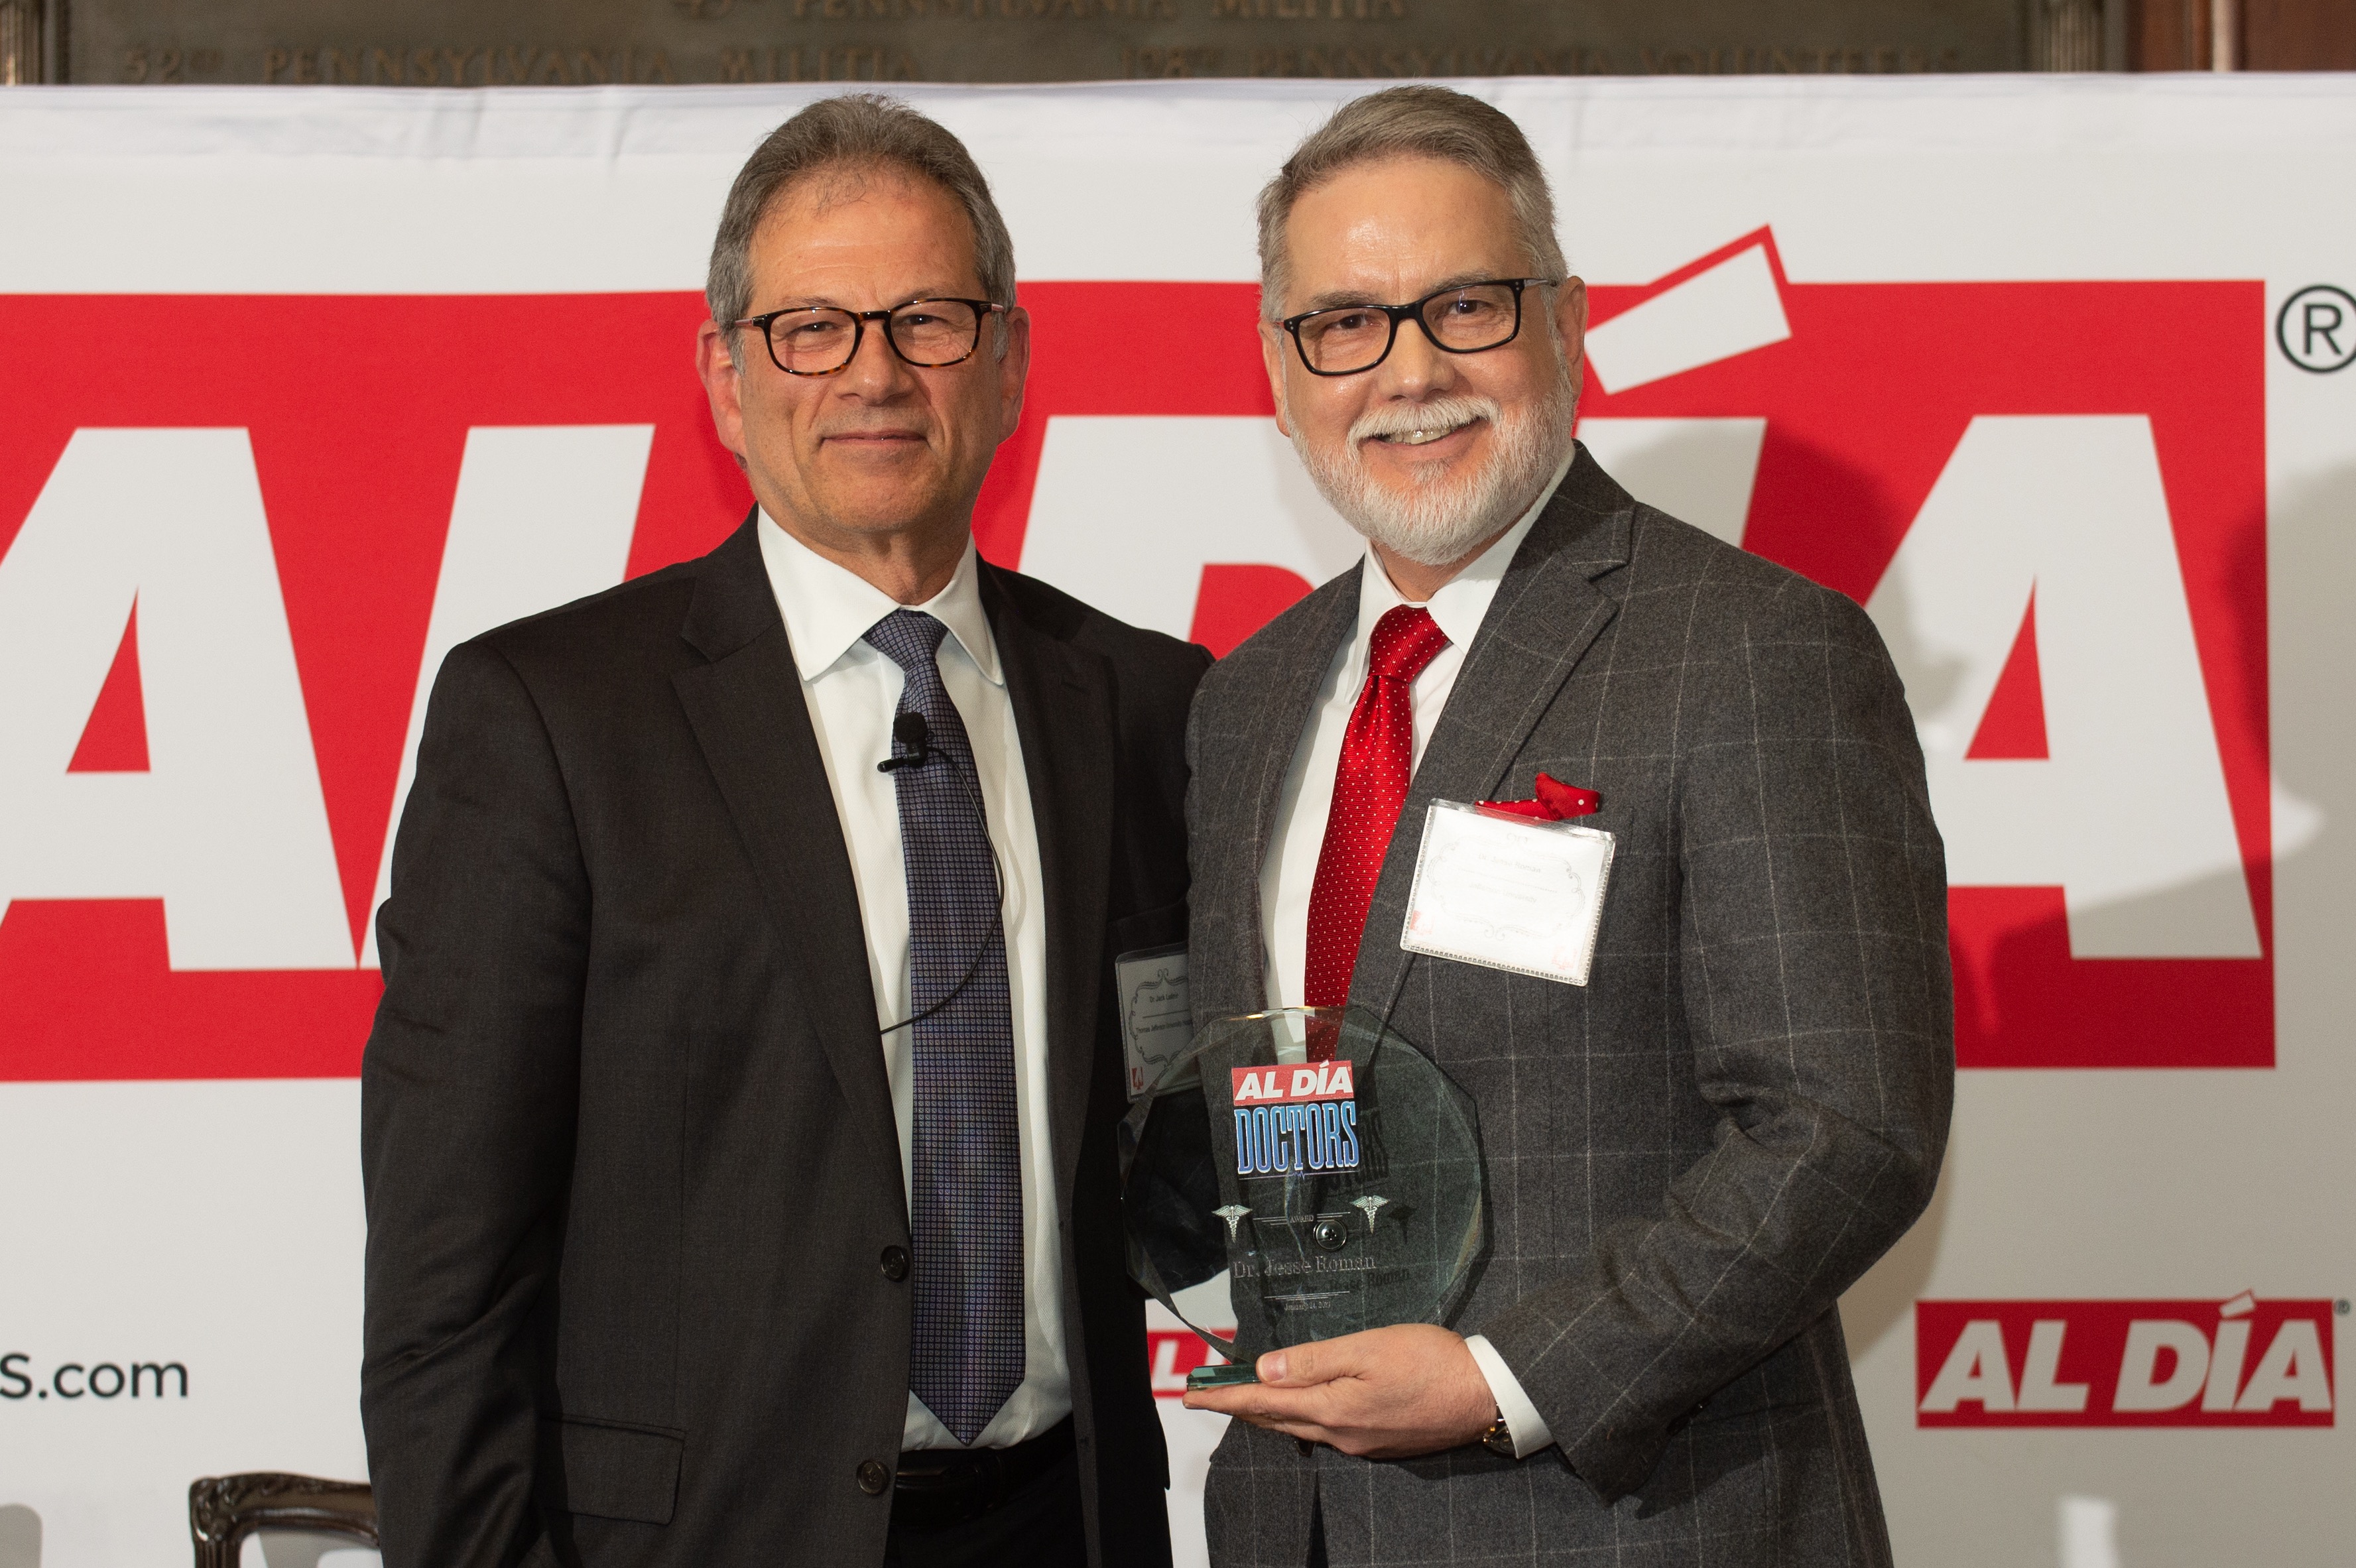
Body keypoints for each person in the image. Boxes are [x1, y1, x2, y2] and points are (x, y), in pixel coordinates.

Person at [360, 95, 1200, 1568]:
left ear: (1006, 363)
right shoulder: (550, 717)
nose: (873, 373)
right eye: (810, 326)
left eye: (927, 320)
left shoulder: (1142, 699)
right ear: (728, 380)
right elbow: (448, 1276)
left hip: (1062, 1523)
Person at [1181, 86, 1953, 1567]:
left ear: (1567, 321)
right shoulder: (1250, 697)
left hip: (1633, 1522)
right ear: (1283, 371)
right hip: (1300, 1524)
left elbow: (1845, 1125)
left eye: (1462, 306)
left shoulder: (1750, 650)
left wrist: (1505, 1380)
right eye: (1344, 322)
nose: (1407, 373)